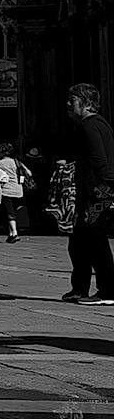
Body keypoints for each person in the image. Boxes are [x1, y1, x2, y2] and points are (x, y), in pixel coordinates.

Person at [64, 84, 114, 304]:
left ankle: (108, 291)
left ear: (86, 103)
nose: (68, 104)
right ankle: (80, 288)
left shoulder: (89, 126)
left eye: (73, 100)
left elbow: (100, 160)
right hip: (96, 191)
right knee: (79, 241)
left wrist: (102, 192)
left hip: (97, 193)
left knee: (95, 240)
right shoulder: (98, 124)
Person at [0, 142, 29, 243]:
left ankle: (14, 233)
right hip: (18, 191)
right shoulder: (16, 162)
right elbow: (29, 173)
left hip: (6, 191)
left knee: (9, 213)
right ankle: (10, 234)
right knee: (13, 212)